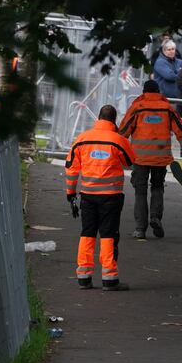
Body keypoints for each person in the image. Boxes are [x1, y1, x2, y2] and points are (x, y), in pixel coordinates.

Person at [65, 105, 135, 291]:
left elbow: (71, 169)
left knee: (87, 234)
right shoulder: (117, 140)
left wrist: (71, 193)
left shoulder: (81, 139)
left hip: (87, 195)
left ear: (98, 117)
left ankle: (84, 277)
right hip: (111, 196)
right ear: (114, 120)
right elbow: (129, 161)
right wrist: (118, 135)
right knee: (108, 235)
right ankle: (109, 279)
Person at [119, 80, 182, 240]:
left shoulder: (137, 108)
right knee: (157, 187)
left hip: (140, 158)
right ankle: (155, 217)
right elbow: (181, 132)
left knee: (140, 191)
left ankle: (140, 229)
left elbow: (123, 132)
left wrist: (115, 151)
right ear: (158, 91)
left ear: (144, 91)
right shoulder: (167, 108)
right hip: (161, 158)